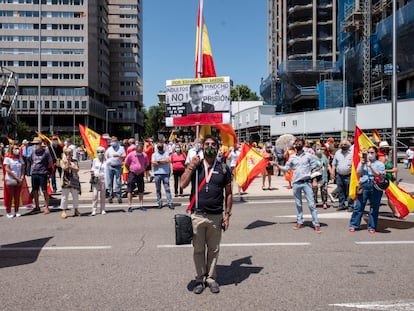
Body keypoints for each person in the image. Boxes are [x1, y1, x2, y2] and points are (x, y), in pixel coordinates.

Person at [180, 135, 233, 294]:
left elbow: (229, 193)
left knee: (213, 249)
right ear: (202, 147)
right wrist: (191, 166)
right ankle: (199, 279)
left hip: (216, 216)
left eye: (213, 144)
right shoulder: (196, 166)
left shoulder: (224, 168)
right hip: (197, 215)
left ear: (217, 148)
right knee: (198, 250)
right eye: (207, 144)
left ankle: (210, 278)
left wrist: (228, 214)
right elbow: (182, 184)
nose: (209, 146)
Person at [276, 138, 321, 232]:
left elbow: (314, 168)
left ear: (303, 145)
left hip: (307, 182)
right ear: (294, 146)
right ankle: (300, 222)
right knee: (298, 204)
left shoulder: (309, 156)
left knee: (311, 204)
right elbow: (286, 168)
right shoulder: (292, 157)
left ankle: (316, 223)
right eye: (296, 144)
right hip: (296, 183)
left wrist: (314, 180)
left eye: (300, 143)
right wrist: (276, 165)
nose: (298, 145)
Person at [349, 146, 385, 233]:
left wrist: (371, 167)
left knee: (374, 207)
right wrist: (362, 164)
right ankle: (354, 224)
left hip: (375, 186)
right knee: (359, 206)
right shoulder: (362, 162)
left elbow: (379, 175)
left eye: (372, 153)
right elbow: (358, 173)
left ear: (376, 154)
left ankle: (372, 226)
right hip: (364, 185)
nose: (370, 154)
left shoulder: (380, 164)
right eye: (368, 153)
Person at [30, 137, 53, 214]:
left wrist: (46, 169)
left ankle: (46, 207)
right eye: (33, 144)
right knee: (35, 191)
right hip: (34, 173)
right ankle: (37, 206)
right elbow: (31, 161)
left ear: (40, 144)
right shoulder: (32, 152)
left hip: (43, 173)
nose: (34, 145)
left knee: (44, 191)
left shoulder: (46, 152)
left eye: (36, 144)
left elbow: (50, 163)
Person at [378, 141, 401, 218]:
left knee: (391, 196)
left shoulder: (384, 156)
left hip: (388, 179)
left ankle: (395, 211)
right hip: (385, 180)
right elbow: (380, 170)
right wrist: (392, 170)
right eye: (386, 148)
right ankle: (395, 212)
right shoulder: (382, 158)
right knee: (390, 196)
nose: (388, 149)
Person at [125, 142, 149, 212]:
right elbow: (126, 164)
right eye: (138, 151)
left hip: (140, 174)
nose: (139, 152)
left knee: (141, 190)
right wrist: (130, 169)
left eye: (140, 151)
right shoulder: (131, 155)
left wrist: (143, 169)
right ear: (136, 150)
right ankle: (129, 206)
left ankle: (141, 205)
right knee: (130, 190)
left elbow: (146, 164)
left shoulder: (144, 155)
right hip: (132, 173)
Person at [3, 143, 25, 218]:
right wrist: (16, 178)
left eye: (17, 148)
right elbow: (7, 169)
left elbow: (22, 168)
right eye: (15, 148)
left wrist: (22, 176)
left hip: (19, 180)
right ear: (11, 149)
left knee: (17, 197)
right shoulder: (7, 158)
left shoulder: (19, 158)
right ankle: (8, 212)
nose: (17, 150)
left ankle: (17, 211)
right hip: (11, 179)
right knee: (9, 197)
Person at [330, 140, 354, 212]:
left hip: (349, 175)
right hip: (339, 175)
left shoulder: (352, 153)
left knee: (349, 191)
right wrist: (332, 172)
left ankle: (350, 206)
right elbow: (334, 164)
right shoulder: (337, 153)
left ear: (348, 145)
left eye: (345, 144)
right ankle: (341, 205)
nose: (343, 146)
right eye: (342, 144)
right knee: (340, 191)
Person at [60, 147, 81, 219]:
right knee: (64, 196)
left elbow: (77, 169)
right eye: (67, 153)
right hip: (66, 180)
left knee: (75, 196)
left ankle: (76, 210)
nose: (68, 155)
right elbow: (64, 168)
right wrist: (68, 162)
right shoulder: (62, 161)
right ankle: (63, 211)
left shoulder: (75, 161)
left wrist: (71, 166)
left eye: (70, 153)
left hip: (74, 180)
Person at [152, 142, 174, 209]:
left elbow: (167, 161)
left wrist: (158, 161)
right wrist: (162, 161)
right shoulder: (154, 154)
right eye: (158, 146)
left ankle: (170, 203)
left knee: (167, 189)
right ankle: (159, 202)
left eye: (161, 146)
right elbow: (153, 163)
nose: (160, 147)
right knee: (158, 189)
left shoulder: (166, 153)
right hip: (157, 173)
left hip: (165, 173)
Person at [105, 136, 126, 204]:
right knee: (110, 182)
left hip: (118, 166)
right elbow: (106, 156)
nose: (113, 142)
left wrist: (119, 156)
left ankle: (119, 196)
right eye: (112, 141)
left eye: (114, 141)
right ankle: (110, 195)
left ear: (117, 141)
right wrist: (108, 160)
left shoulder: (121, 148)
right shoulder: (109, 149)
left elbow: (124, 156)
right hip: (110, 166)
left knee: (118, 182)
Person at [90, 146, 108, 216]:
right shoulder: (95, 160)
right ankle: (94, 210)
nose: (99, 153)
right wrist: (92, 171)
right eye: (98, 152)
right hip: (96, 178)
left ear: (104, 153)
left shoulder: (106, 160)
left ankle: (102, 209)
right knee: (95, 195)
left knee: (103, 195)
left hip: (103, 178)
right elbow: (93, 168)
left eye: (101, 152)